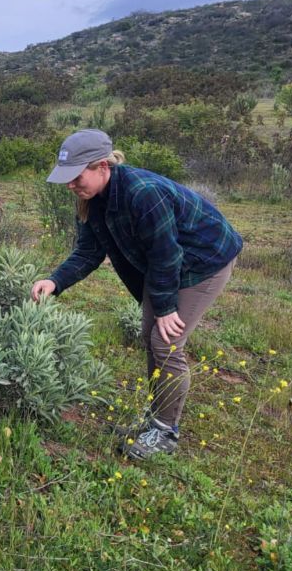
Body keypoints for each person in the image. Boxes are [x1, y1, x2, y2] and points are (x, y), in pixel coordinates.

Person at [31, 129, 242, 459]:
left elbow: (165, 254)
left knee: (164, 341)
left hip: (205, 261)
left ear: (102, 165)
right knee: (150, 335)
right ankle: (154, 421)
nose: (71, 185)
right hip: (167, 265)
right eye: (66, 179)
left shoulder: (143, 193)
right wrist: (55, 281)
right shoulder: (91, 201)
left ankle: (165, 432)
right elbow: (88, 252)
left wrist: (166, 306)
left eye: (76, 177)